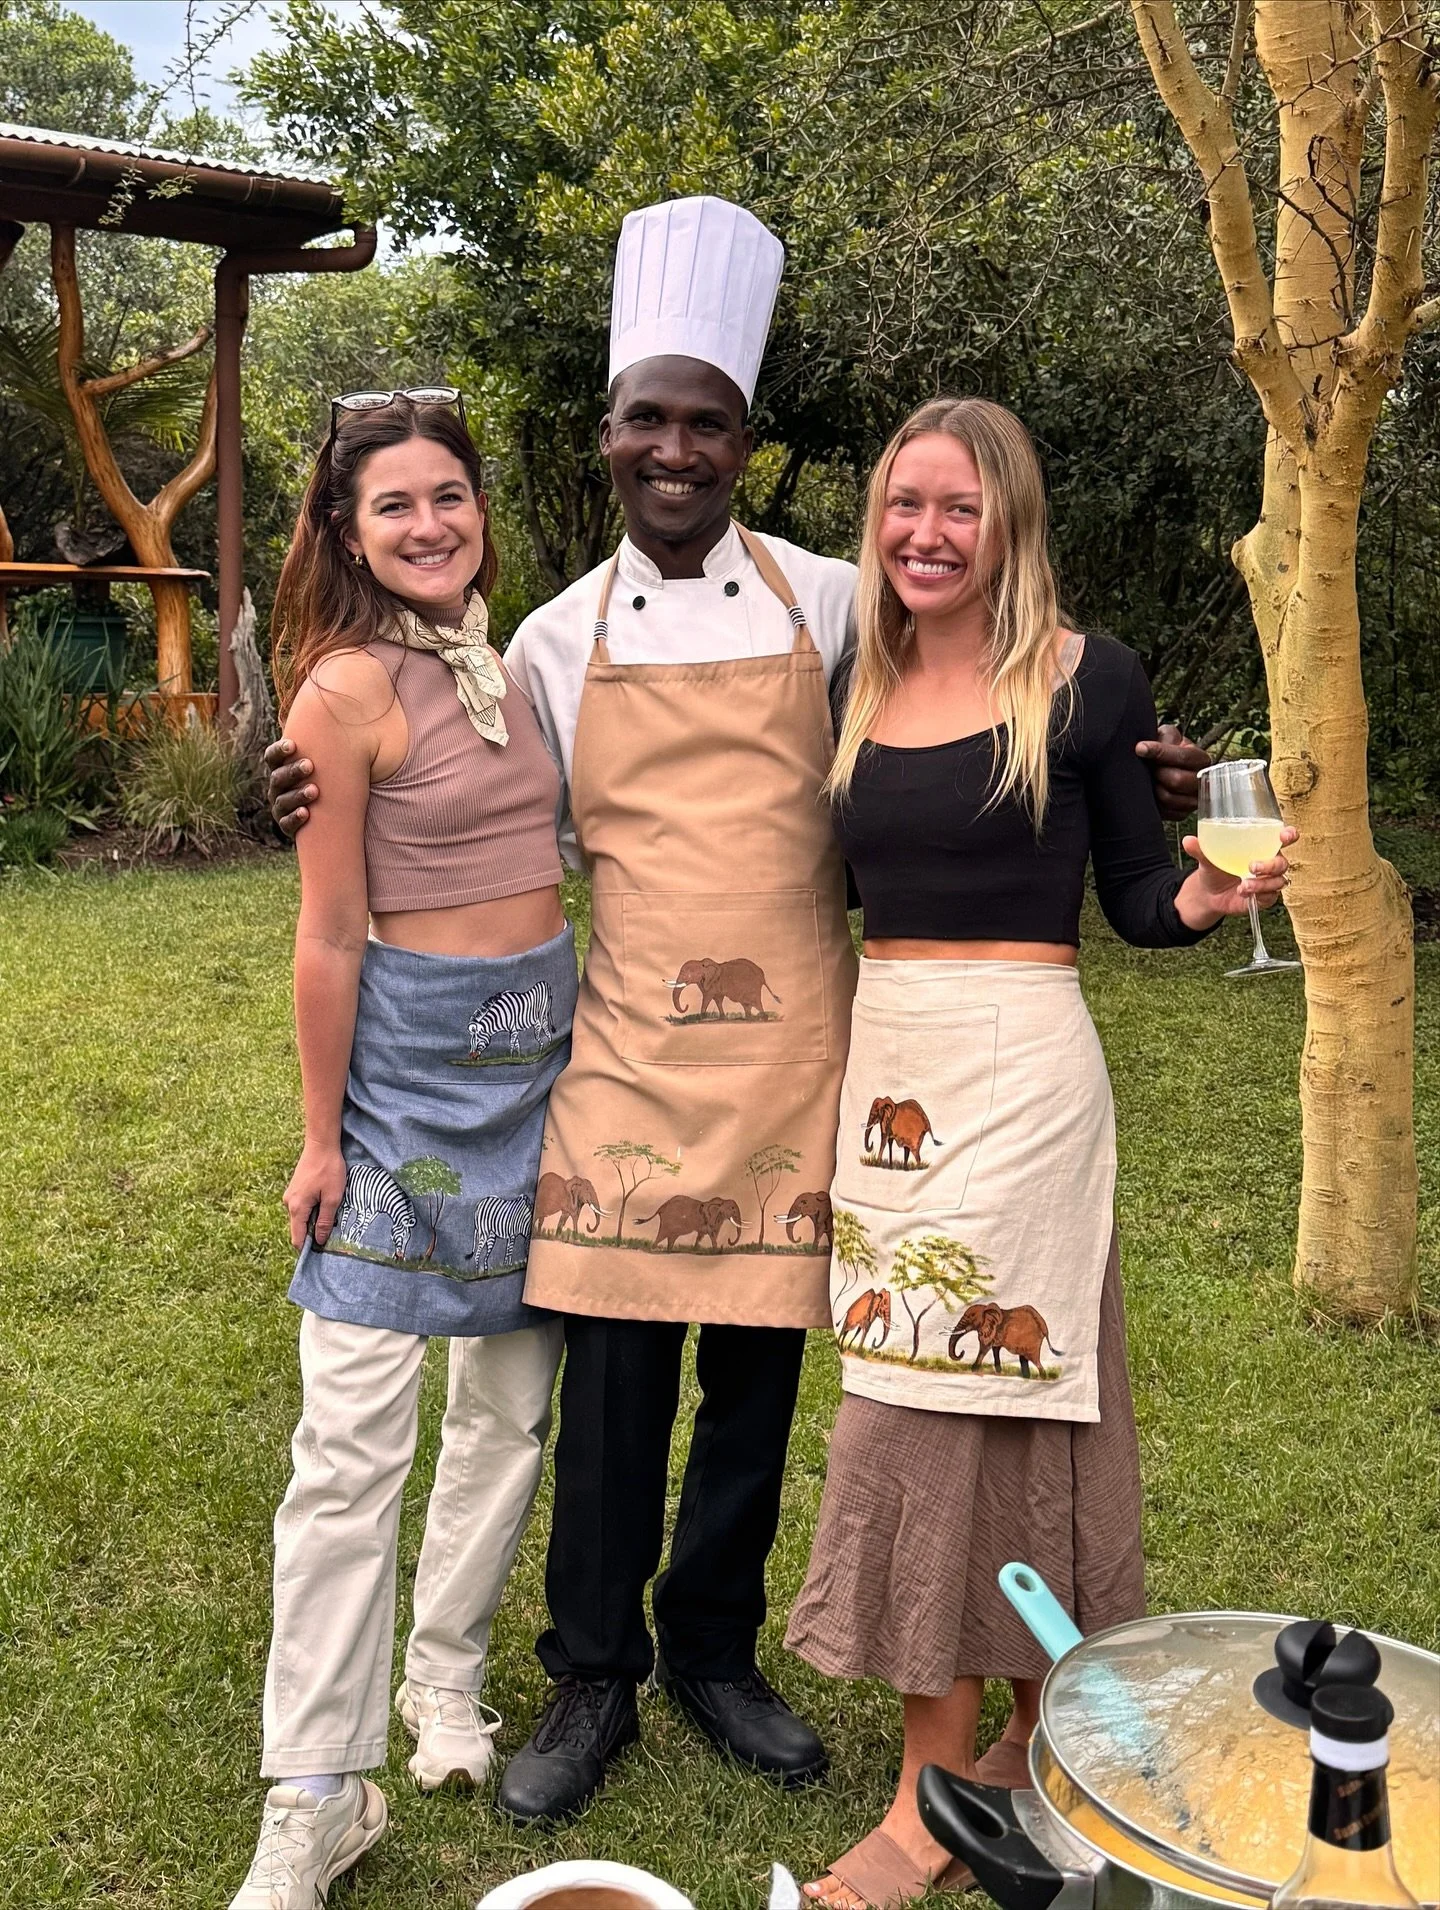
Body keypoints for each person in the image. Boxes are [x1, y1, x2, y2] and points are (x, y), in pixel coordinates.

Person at [264, 199, 1210, 1831]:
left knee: (758, 1393)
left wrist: (1137, 757)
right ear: (612, 437)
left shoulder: (844, 602)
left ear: (745, 442)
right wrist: (279, 766)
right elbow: (434, 760)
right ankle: (591, 1668)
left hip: (804, 1066)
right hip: (622, 1060)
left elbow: (994, 678)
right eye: (650, 418)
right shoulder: (549, 639)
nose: (676, 448)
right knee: (618, 1388)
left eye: (708, 421)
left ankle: (716, 1647)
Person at [783, 397, 1293, 1910]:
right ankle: (968, 1767)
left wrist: (1203, 900)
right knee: (910, 1394)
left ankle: (977, 1770)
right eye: (902, 505)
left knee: (1034, 1398)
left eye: (960, 508)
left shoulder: (1086, 677)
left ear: (1010, 523)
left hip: (1029, 1072)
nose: (925, 534)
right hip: (896, 1065)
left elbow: (1137, 896)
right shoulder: (854, 675)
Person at [231, 392, 576, 1910]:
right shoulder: (341, 694)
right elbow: (325, 936)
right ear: (344, 529)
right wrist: (321, 1137)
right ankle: (315, 1785)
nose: (430, 523)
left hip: (547, 1092)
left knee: (506, 1418)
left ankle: (445, 1681)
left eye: (451, 495)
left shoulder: (535, 659)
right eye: (395, 505)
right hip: (398, 1109)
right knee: (349, 1446)